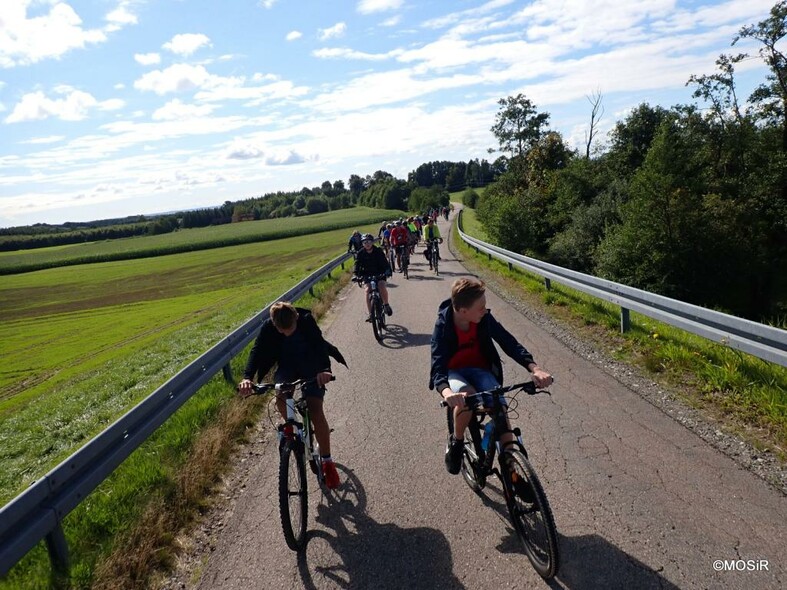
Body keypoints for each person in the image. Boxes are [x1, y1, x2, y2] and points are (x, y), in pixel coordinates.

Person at [429, 278, 552, 475]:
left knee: (499, 405)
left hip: (480, 369)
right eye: (481, 307)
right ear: (463, 312)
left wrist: (534, 368)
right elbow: (437, 367)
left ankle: (512, 469)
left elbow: (508, 342)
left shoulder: (483, 319)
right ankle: (457, 441)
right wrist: (446, 392)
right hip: (455, 372)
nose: (485, 311)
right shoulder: (443, 327)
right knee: (467, 398)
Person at [238, 301, 347, 489]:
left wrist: (324, 369)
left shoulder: (305, 320)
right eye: (282, 330)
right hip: (287, 367)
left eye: (291, 329)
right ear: (275, 325)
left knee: (315, 409)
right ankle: (293, 426)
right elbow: (257, 351)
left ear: (296, 317)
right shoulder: (268, 328)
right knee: (280, 397)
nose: (287, 333)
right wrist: (247, 377)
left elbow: (319, 345)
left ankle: (328, 462)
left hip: (311, 365)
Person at [353, 233, 393, 320]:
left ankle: (386, 305)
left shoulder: (378, 251)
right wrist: (356, 274)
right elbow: (357, 264)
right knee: (367, 290)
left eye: (369, 241)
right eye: (365, 242)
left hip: (380, 273)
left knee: (381, 286)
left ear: (372, 242)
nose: (367, 244)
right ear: (362, 243)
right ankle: (371, 313)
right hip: (367, 274)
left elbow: (385, 262)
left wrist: (388, 271)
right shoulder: (360, 253)